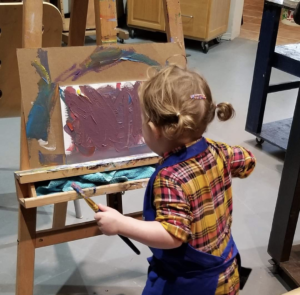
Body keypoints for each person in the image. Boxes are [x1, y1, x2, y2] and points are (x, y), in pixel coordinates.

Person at [94, 65, 256, 295]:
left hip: (192, 285)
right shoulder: (220, 151)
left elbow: (172, 235)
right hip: (227, 270)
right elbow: (248, 160)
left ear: (153, 129)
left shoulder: (169, 178)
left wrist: (121, 224)